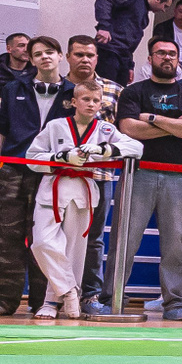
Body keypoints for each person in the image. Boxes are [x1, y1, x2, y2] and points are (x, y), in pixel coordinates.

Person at [25, 80, 141, 317]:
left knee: (75, 250)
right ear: (74, 102)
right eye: (86, 99)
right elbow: (31, 157)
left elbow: (136, 148)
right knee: (41, 243)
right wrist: (60, 157)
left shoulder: (105, 130)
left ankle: (53, 302)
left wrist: (104, 150)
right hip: (53, 186)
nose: (91, 104)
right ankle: (68, 290)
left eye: (96, 100)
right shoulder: (55, 126)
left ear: (101, 104)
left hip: (83, 190)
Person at [115, 38, 182, 321]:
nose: (167, 57)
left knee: (177, 243)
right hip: (139, 172)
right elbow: (129, 128)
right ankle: (112, 298)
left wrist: (152, 118)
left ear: (178, 59)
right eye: (161, 53)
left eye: (172, 54)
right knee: (126, 239)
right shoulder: (133, 92)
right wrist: (179, 124)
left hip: (179, 175)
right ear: (150, 58)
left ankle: (175, 303)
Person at [0, 38, 72, 315]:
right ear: (30, 60)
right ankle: (6, 300)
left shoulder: (73, 92)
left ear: (60, 56)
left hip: (52, 174)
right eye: (38, 54)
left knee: (46, 239)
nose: (44, 57)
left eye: (49, 52)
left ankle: (43, 301)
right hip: (13, 170)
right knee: (7, 238)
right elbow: (3, 129)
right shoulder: (13, 88)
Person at [92, 0, 171, 84]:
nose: (163, 10)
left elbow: (130, 43)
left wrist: (130, 66)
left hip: (123, 58)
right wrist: (104, 27)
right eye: (165, 6)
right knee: (104, 88)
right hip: (109, 51)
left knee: (120, 91)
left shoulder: (144, 15)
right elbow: (104, 0)